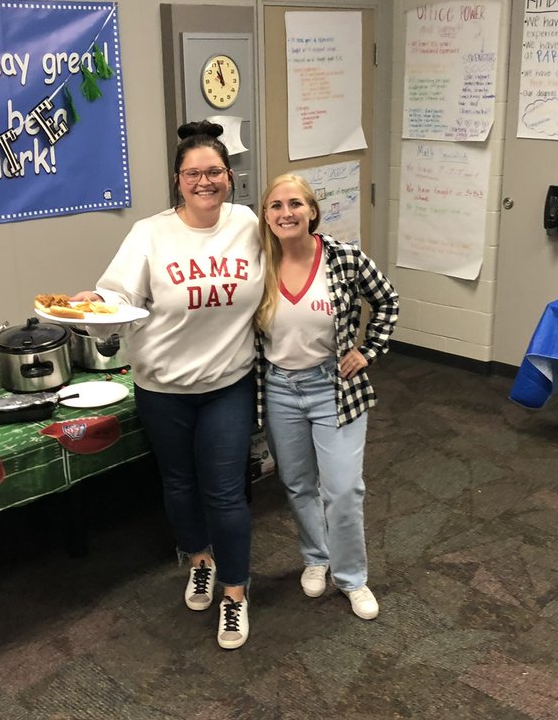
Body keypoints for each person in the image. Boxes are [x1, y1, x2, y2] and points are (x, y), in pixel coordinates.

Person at [73, 121, 262, 649]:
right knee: (179, 483)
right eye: (193, 173)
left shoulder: (247, 223)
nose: (205, 182)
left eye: (215, 172)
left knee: (225, 493)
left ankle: (234, 593)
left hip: (228, 382)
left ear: (229, 176)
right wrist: (89, 308)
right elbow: (116, 300)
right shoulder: (150, 234)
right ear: (178, 180)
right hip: (162, 387)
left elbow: (291, 262)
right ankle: (199, 560)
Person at [255, 173, 399, 620]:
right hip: (279, 388)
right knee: (298, 485)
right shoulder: (258, 265)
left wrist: (368, 351)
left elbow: (388, 302)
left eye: (295, 204)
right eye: (276, 206)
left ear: (312, 211)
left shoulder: (344, 258)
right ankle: (316, 557)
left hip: (334, 387)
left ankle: (352, 577)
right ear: (266, 215)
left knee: (343, 489)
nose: (286, 213)